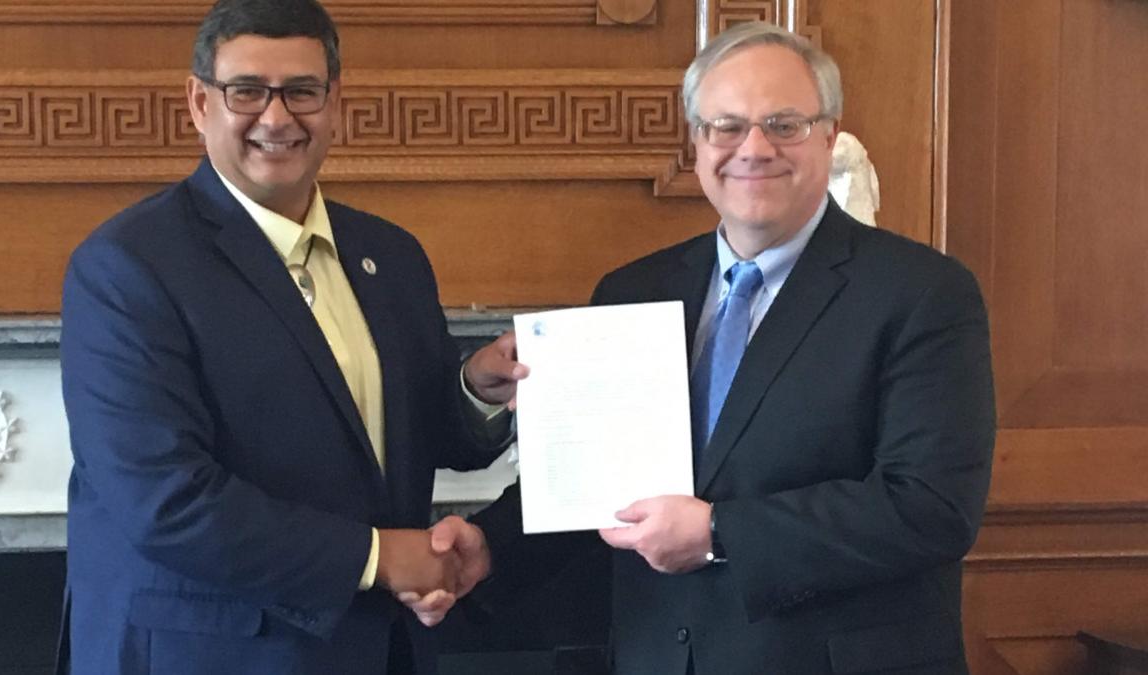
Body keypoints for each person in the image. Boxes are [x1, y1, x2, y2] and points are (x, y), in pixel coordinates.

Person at [418, 21, 996, 675]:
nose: (753, 147)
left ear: (830, 135)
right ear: (696, 143)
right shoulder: (633, 290)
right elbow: (601, 490)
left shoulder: (922, 292)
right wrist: (490, 545)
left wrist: (720, 532)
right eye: (726, 125)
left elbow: (931, 507)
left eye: (784, 124)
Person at [57, 1, 521, 673]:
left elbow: (412, 439)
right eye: (246, 90)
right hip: (206, 654)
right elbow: (163, 499)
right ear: (199, 101)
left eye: (301, 91)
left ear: (334, 102)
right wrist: (380, 556)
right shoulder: (128, 266)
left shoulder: (389, 254)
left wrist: (476, 388)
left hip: (374, 648)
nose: (276, 118)